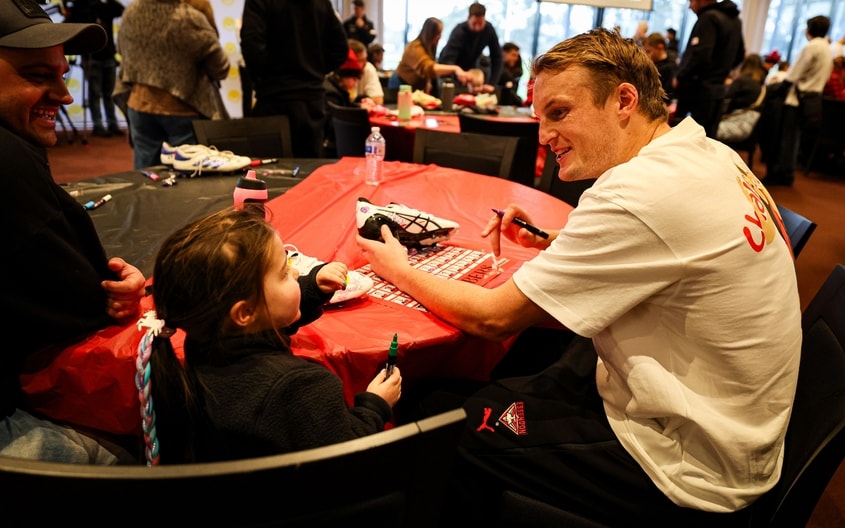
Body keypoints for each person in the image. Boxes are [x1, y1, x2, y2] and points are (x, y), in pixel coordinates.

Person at [357, 28, 800, 525]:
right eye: (541, 117)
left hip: (689, 466)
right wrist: (553, 241)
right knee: (535, 361)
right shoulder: (706, 153)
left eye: (560, 112)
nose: (544, 135)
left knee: (449, 423)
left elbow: (492, 319)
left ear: (624, 100)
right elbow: (666, 249)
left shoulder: (638, 193)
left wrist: (396, 268)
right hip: (741, 428)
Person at [1, 0, 146, 463]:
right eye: (38, 75)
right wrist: (119, 293)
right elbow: (90, 304)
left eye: (62, 74)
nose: (64, 96)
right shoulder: (9, 162)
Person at [143, 208, 401, 463]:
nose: (297, 272)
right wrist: (375, 406)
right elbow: (346, 456)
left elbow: (259, 329)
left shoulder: (203, 342)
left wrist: (312, 288)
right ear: (245, 312)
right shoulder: (299, 387)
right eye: (284, 272)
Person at [115, 0, 229, 169]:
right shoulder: (190, 18)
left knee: (146, 175)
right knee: (187, 177)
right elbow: (220, 68)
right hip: (183, 107)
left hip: (140, 103)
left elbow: (121, 51)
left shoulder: (130, 12)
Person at [241, 0, 348, 158]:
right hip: (311, 101)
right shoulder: (322, 3)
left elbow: (252, 46)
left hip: (274, 98)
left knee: (269, 173)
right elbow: (340, 48)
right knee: (309, 174)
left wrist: (264, 78)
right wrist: (315, 70)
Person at [766, 15, 833, 186]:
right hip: (813, 98)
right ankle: (787, 172)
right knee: (795, 137)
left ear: (809, 29)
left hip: (797, 99)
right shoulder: (827, 48)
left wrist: (775, 91)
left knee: (787, 137)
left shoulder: (812, 47)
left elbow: (794, 75)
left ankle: (782, 173)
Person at [672, 0, 745, 138]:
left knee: (687, 139)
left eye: (691, 1)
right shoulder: (735, 21)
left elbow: (701, 55)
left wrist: (680, 76)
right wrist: (722, 71)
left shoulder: (709, 18)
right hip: (718, 91)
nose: (690, 6)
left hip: (698, 92)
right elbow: (740, 55)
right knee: (708, 139)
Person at [62, 0, 124, 137]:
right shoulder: (81, 8)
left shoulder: (104, 7)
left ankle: (111, 124)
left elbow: (120, 9)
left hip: (108, 56)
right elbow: (66, 25)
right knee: (95, 94)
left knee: (109, 93)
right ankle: (98, 125)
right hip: (92, 58)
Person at [392, 17, 472, 93]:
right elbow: (429, 68)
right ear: (430, 33)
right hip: (401, 84)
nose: (440, 37)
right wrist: (455, 68)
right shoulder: (414, 48)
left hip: (414, 87)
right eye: (438, 33)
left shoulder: (429, 47)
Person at [438, 2, 502, 95]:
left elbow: (497, 58)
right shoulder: (459, 32)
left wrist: (492, 83)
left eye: (480, 23)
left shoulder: (489, 30)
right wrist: (458, 73)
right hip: (449, 69)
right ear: (468, 19)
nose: (477, 27)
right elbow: (448, 59)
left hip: (470, 69)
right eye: (474, 23)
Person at [643, 32, 677, 102]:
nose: (647, 56)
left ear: (660, 47)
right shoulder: (651, 62)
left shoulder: (669, 68)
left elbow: (667, 95)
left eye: (649, 51)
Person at [349, 38, 383, 105]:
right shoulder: (338, 74)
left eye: (365, 59)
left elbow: (378, 100)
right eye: (360, 60)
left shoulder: (368, 68)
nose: (364, 64)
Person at [498, 41, 524, 106]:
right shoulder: (496, 69)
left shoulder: (516, 71)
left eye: (517, 56)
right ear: (504, 53)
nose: (516, 58)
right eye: (513, 55)